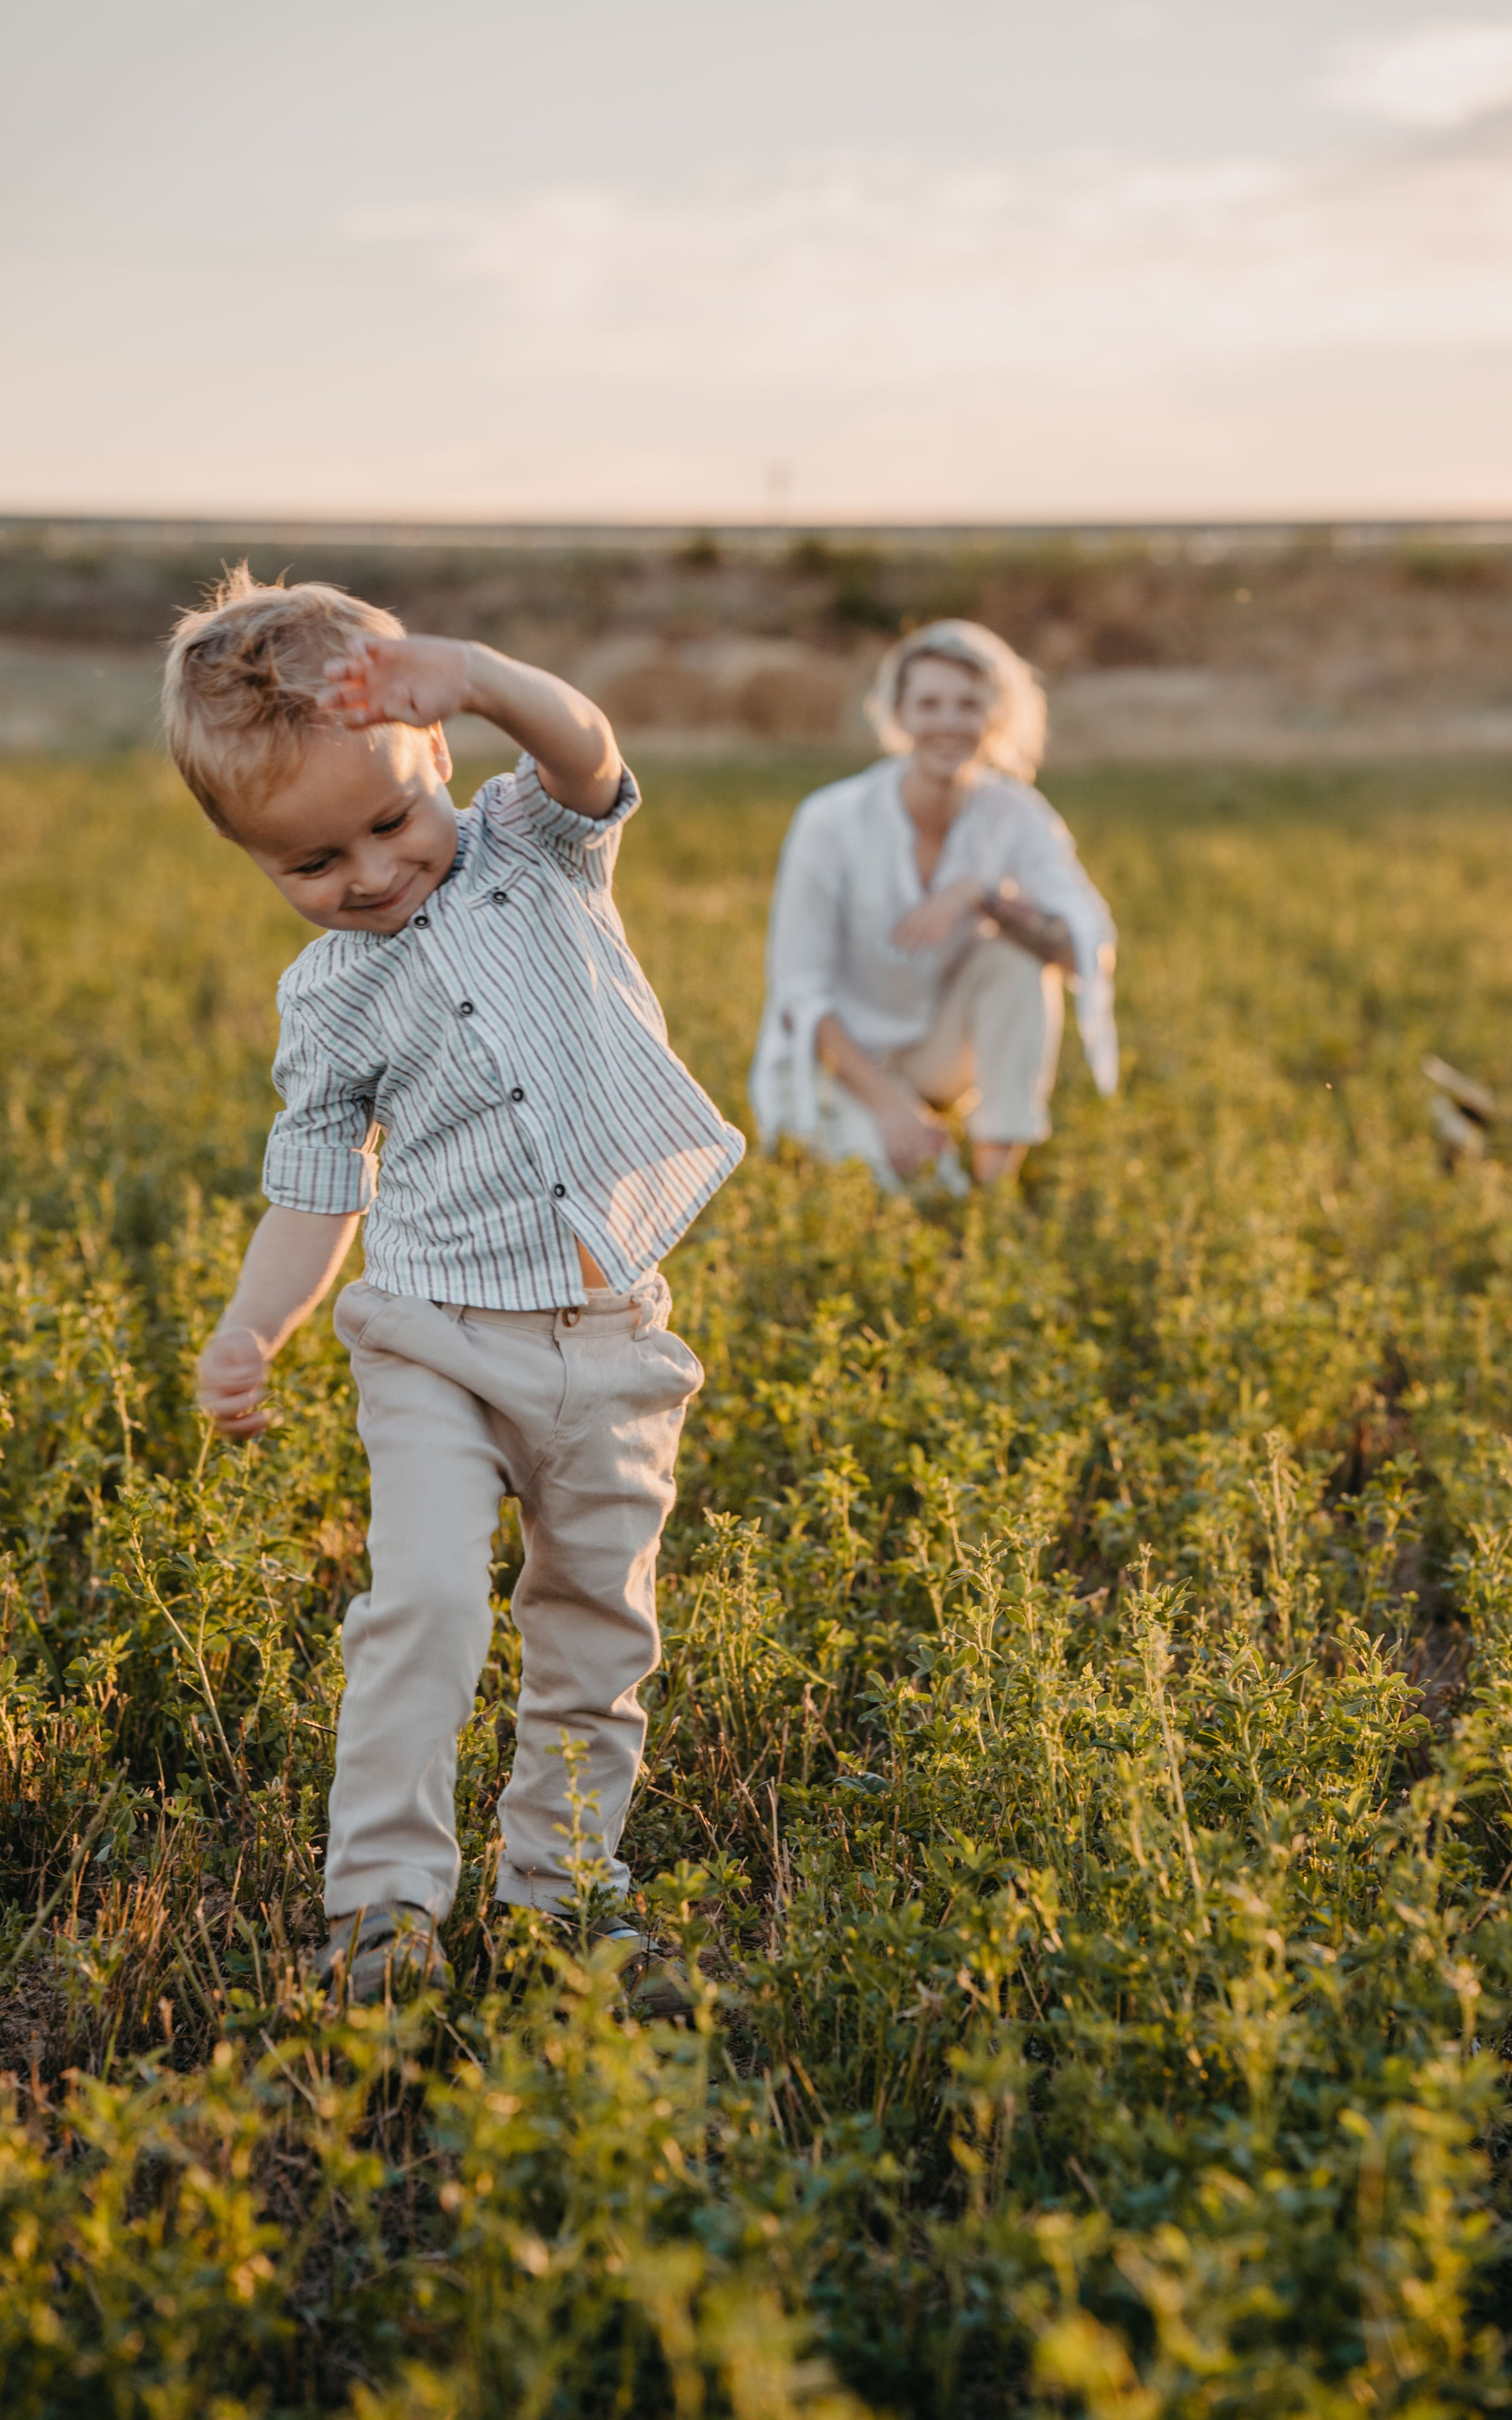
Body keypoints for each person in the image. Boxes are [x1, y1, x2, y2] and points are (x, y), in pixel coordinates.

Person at [164, 569, 744, 2001]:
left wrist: (478, 673)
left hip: (611, 1333)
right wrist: (254, 1327)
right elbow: (315, 1188)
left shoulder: (529, 849)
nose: (365, 874)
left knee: (597, 1631)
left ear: (435, 755)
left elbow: (586, 749)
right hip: (427, 1337)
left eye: (385, 821)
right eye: (309, 864)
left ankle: (562, 1897)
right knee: (424, 1605)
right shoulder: (330, 996)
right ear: (254, 863)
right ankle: (379, 1918)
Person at [750, 619, 1117, 1188]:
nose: (949, 723)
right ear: (898, 716)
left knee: (1019, 961)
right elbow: (799, 994)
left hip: (931, 1055)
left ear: (995, 716)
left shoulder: (1017, 813)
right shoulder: (830, 820)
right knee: (921, 1188)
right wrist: (892, 1109)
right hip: (836, 1064)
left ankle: (995, 1184)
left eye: (968, 705)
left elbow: (1088, 949)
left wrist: (987, 898)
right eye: (930, 704)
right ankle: (924, 1162)